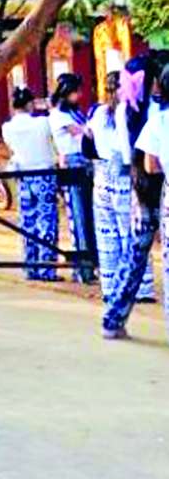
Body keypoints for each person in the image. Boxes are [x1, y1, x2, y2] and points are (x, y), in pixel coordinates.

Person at [102, 56, 168, 340]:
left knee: (133, 257)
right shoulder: (157, 110)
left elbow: (130, 156)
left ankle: (113, 318)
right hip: (158, 183)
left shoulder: (123, 109)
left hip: (137, 187)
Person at [87, 71, 153, 308]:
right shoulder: (128, 113)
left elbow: (88, 140)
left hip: (101, 175)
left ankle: (110, 286)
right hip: (124, 176)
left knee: (107, 234)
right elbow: (129, 150)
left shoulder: (97, 113)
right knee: (131, 233)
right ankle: (139, 286)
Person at [2, 86, 60, 281]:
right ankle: (47, 268)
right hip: (44, 174)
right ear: (30, 104)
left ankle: (31, 265)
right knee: (47, 221)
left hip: (24, 175)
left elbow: (11, 147)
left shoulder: (7, 128)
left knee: (28, 221)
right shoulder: (43, 123)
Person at [48, 73, 97, 283]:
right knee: (79, 217)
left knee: (89, 215)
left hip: (85, 163)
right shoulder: (59, 116)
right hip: (73, 163)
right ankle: (83, 268)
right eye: (76, 92)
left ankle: (90, 263)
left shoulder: (74, 112)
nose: (80, 95)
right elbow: (84, 133)